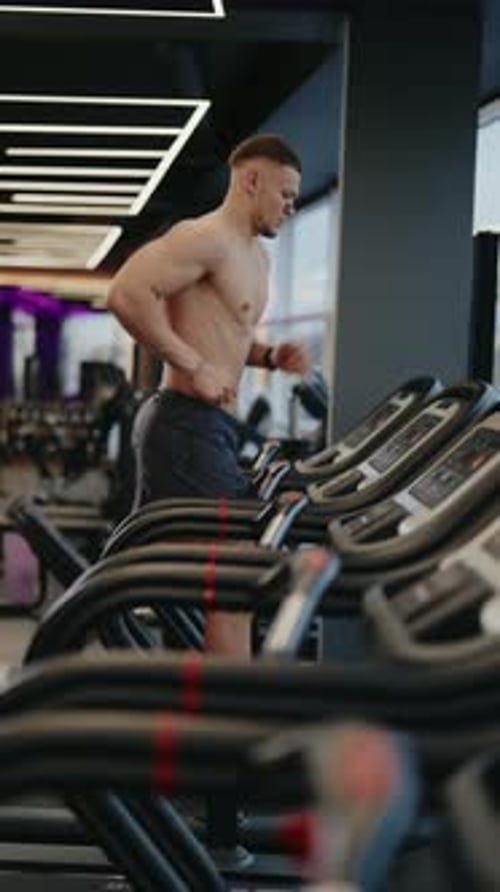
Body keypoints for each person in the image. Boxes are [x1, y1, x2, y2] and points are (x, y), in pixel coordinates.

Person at [106, 133, 311, 659]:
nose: (291, 206)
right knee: (235, 576)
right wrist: (190, 363)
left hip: (204, 425)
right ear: (251, 180)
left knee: (202, 578)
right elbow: (126, 293)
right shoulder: (206, 237)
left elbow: (221, 336)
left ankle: (200, 698)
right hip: (183, 422)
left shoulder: (256, 259)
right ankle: (230, 716)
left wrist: (267, 357)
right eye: (285, 194)